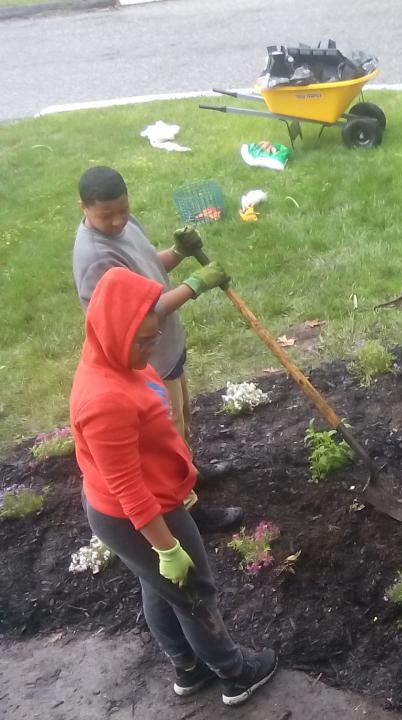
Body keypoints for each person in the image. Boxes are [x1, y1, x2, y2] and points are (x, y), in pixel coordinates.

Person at [70, 267, 277, 706]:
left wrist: (194, 286)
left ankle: (188, 669)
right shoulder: (104, 399)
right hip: (141, 514)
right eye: (143, 341)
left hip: (140, 506)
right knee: (193, 592)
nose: (151, 347)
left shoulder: (113, 354)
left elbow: (151, 310)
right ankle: (236, 674)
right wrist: (166, 547)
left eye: (154, 336)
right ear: (114, 330)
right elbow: (127, 487)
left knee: (159, 589)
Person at [72, 166, 242, 532]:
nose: (118, 221)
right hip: (143, 358)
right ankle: (188, 511)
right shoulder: (95, 258)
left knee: (181, 416)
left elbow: (146, 271)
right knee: (165, 435)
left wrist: (178, 254)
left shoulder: (124, 223)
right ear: (83, 207)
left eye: (123, 209)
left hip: (166, 349)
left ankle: (189, 473)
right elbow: (142, 315)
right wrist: (195, 284)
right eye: (107, 215)